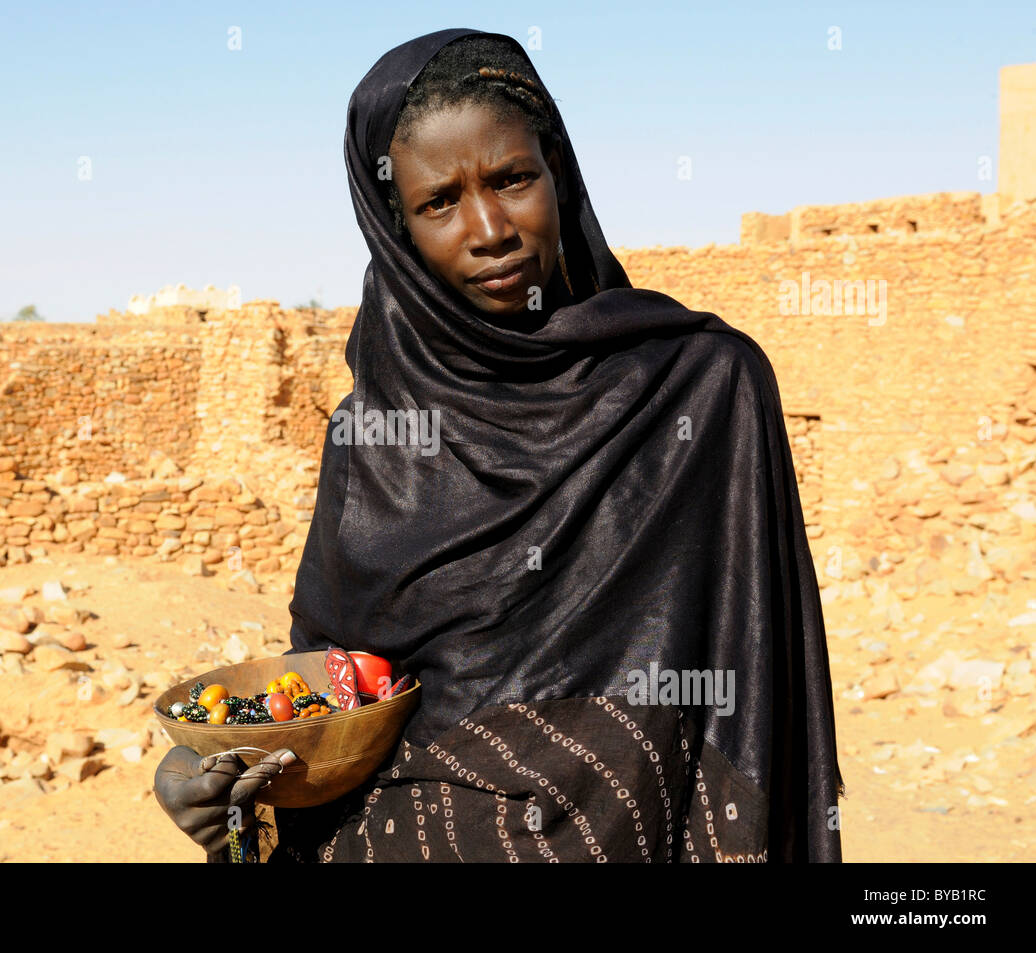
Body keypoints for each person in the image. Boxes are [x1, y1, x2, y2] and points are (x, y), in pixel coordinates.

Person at [155, 27, 844, 863]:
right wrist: (206, 775)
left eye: (513, 179)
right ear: (394, 228)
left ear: (559, 173)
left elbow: (753, 687)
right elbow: (334, 699)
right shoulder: (374, 439)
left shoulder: (703, 387)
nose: (489, 228)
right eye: (439, 202)